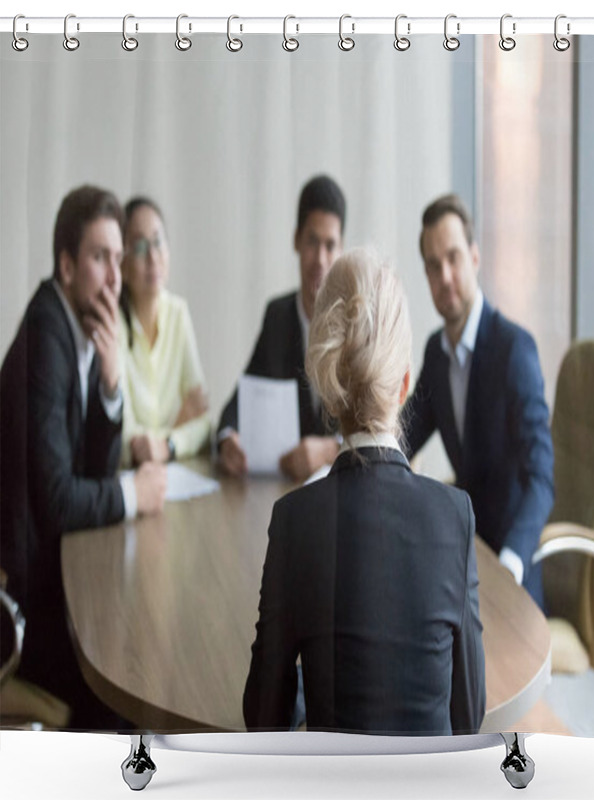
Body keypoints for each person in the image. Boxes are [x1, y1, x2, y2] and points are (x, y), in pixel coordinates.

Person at [243, 250, 486, 735]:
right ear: (405, 385)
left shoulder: (294, 521)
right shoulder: (453, 515)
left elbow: (264, 716)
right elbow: (468, 713)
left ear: (327, 387)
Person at [0, 185, 166, 729]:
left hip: (52, 578)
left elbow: (91, 474)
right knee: (131, 688)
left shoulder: (84, 329)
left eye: (119, 259)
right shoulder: (49, 329)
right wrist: (133, 494)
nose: (116, 277)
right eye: (100, 258)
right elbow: (58, 500)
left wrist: (113, 383)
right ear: (67, 265)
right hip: (22, 604)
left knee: (139, 641)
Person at [402, 194, 555, 608]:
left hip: (511, 572)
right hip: (463, 566)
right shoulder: (437, 352)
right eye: (433, 266)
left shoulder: (514, 350)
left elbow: (541, 477)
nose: (445, 276)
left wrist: (510, 561)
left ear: (474, 257)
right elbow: (403, 437)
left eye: (453, 258)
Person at [217, 175, 345, 481]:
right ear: (296, 240)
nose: (321, 260)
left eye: (331, 245)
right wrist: (226, 439)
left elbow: (379, 428)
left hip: (342, 494)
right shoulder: (278, 316)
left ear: (342, 249)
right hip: (285, 494)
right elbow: (240, 398)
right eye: (313, 242)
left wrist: (330, 449)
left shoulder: (355, 324)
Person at [118, 197, 211, 466]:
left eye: (158, 242)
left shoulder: (178, 313)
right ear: (122, 264)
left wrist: (168, 445)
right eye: (139, 246)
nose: (152, 256)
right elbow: (123, 436)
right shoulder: (113, 323)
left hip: (176, 475)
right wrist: (179, 423)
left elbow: (204, 423)